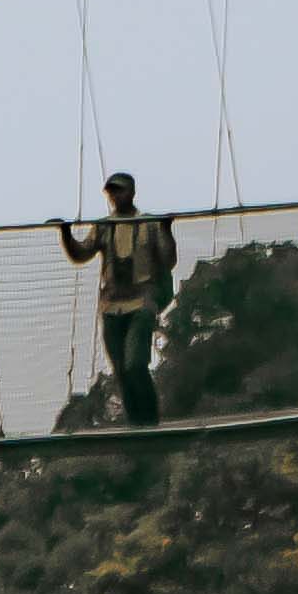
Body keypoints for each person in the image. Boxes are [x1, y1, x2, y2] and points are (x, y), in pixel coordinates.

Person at [52, 171, 178, 425]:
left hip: (141, 302)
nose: (114, 195)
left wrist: (166, 230)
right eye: (111, 191)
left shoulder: (149, 224)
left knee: (134, 363)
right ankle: (136, 423)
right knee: (120, 370)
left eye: (119, 190)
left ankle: (149, 419)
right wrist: (65, 234)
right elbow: (80, 254)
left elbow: (168, 261)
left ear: (131, 192)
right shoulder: (103, 226)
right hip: (111, 306)